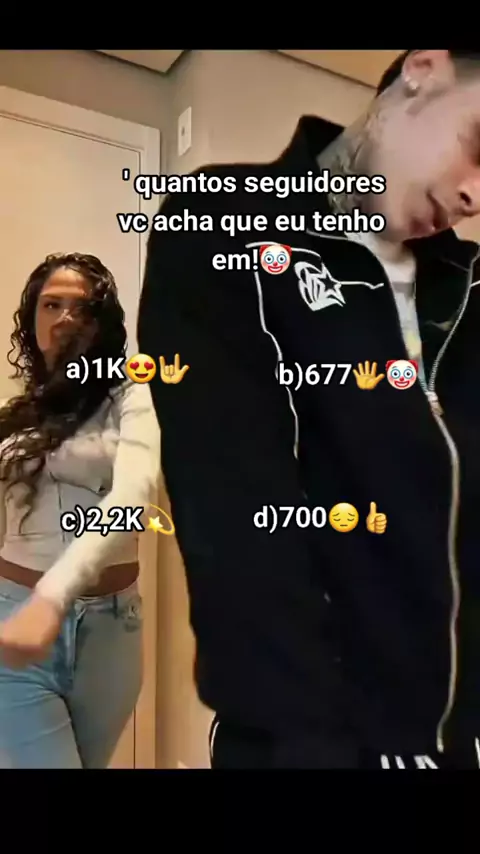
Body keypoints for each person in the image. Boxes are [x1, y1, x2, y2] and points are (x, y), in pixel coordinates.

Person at [138, 50, 480, 769]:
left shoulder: (469, 285)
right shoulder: (220, 222)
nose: (474, 195)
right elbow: (232, 511)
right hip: (310, 742)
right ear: (425, 68)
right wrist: (308, 745)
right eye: (477, 146)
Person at [0, 252, 160, 769]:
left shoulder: (134, 398)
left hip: (111, 634)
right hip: (15, 615)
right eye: (51, 305)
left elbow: (132, 497)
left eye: (82, 307)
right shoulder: (18, 414)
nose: (66, 317)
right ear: (32, 319)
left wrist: (54, 597)